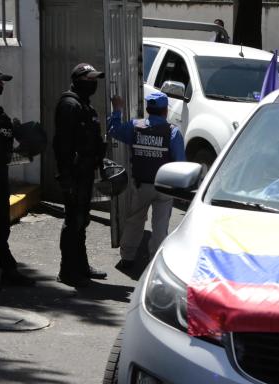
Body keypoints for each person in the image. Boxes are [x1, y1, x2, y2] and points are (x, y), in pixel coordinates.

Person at [107, 92, 183, 270]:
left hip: (141, 185)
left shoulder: (135, 126)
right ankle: (155, 263)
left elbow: (113, 130)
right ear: (165, 111)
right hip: (165, 187)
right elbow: (180, 163)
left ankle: (127, 258)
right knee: (160, 225)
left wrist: (117, 110)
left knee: (135, 220)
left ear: (148, 109)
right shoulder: (172, 132)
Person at [54, 63, 107, 288]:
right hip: (74, 174)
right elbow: (62, 144)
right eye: (89, 79)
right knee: (73, 221)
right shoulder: (70, 105)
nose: (93, 83)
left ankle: (81, 266)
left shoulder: (84, 105)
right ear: (78, 81)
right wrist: (65, 176)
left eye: (95, 79)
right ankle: (67, 271)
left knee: (82, 220)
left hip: (85, 172)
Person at [0, 67, 33, 287]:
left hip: (1, 179)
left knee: (2, 226)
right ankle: (9, 269)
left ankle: (7, 267)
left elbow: (7, 153)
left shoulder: (2, 117)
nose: (2, 85)